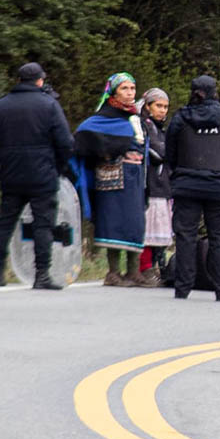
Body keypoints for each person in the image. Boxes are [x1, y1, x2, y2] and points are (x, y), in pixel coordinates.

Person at [0, 62, 74, 289]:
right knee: (43, 224)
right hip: (42, 175)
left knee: (5, 222)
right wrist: (58, 167)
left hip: (11, 173)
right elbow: (65, 142)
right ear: (40, 80)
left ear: (19, 80)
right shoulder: (49, 105)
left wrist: (5, 159)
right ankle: (41, 275)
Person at [165, 75, 220, 301]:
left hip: (187, 184)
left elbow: (171, 152)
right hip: (219, 185)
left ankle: (183, 288)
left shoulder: (180, 118)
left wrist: (180, 175)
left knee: (185, 236)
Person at [72, 72, 151, 287]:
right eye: (124, 89)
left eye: (132, 89)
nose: (129, 93)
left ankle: (133, 271)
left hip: (134, 178)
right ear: (113, 92)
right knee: (113, 221)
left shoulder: (135, 118)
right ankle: (113, 272)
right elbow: (82, 139)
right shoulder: (102, 118)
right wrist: (107, 150)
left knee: (135, 222)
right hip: (111, 178)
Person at [137, 88, 172, 284]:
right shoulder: (145, 126)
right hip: (150, 184)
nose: (162, 110)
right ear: (148, 106)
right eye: (158, 106)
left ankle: (158, 267)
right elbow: (159, 151)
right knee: (149, 229)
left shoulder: (159, 127)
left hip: (163, 184)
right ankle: (145, 268)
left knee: (160, 229)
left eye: (165, 107)